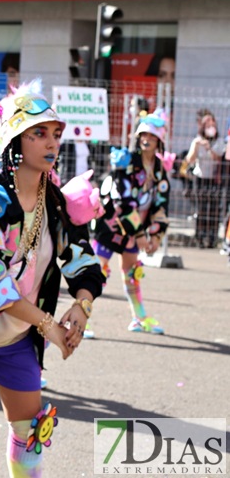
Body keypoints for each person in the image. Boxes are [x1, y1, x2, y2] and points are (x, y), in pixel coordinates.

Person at [0, 81, 104, 477]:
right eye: (38, 133)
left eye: (55, 133)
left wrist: (83, 304)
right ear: (14, 141)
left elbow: (82, 260)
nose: (51, 141)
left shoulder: (55, 205)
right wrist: (51, 327)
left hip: (16, 338)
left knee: (32, 432)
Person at [93, 110, 170, 334]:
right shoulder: (127, 162)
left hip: (135, 232)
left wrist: (155, 235)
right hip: (112, 227)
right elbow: (123, 200)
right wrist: (139, 234)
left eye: (152, 136)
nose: (147, 140)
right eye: (144, 135)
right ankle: (81, 319)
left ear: (159, 141)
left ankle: (138, 318)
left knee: (131, 274)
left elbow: (161, 204)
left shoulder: (159, 170)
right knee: (97, 272)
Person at [185, 112, 222, 248]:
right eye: (208, 125)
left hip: (214, 180)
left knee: (213, 210)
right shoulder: (197, 140)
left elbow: (219, 159)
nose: (211, 127)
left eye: (213, 125)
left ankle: (212, 237)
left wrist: (209, 148)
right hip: (200, 178)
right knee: (200, 209)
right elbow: (189, 160)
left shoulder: (219, 141)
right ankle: (199, 237)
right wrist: (197, 146)